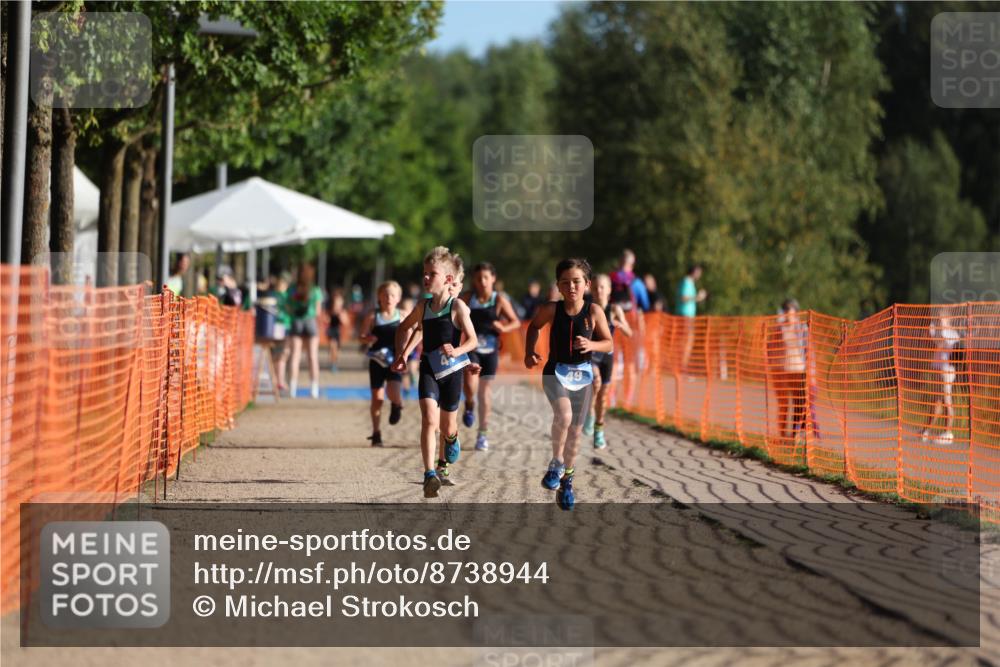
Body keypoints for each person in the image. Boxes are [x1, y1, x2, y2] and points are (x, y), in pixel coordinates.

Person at [525, 258, 613, 511]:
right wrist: (529, 352)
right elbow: (534, 327)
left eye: (576, 282)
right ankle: (555, 463)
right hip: (555, 370)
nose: (571, 286)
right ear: (559, 286)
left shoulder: (594, 312)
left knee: (575, 431)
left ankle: (568, 480)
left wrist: (592, 345)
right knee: (563, 417)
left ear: (586, 284)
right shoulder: (551, 309)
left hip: (582, 374)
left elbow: (609, 343)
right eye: (566, 282)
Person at [392, 247, 480, 498]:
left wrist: (458, 349)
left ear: (449, 280)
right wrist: (403, 354)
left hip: (452, 372)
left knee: (447, 426)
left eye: (432, 274)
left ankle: (451, 442)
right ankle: (429, 473)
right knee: (429, 420)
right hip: (429, 368)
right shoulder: (423, 307)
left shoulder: (458, 307)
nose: (426, 278)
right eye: (424, 273)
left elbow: (473, 340)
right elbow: (403, 329)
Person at [461, 262, 521, 451]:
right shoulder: (467, 298)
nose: (482, 282)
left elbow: (515, 322)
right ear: (474, 280)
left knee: (485, 392)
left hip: (491, 351)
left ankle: (482, 434)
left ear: (493, 279)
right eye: (479, 278)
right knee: (470, 387)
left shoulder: (499, 300)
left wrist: (503, 327)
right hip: (471, 348)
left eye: (486, 278)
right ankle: (469, 405)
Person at [582, 274, 633, 449]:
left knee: (603, 395)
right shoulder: (587, 308)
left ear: (610, 290)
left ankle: (599, 429)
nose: (599, 291)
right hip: (592, 353)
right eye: (595, 287)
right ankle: (588, 413)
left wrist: (620, 324)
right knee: (595, 382)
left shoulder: (614, 309)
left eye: (603, 287)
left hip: (607, 356)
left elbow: (629, 333)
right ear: (591, 289)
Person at [360, 281, 404, 447]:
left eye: (392, 295)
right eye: (385, 294)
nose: (389, 298)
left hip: (395, 361)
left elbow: (416, 330)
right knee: (377, 399)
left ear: (398, 298)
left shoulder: (403, 315)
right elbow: (362, 335)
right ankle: (376, 432)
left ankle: (397, 405)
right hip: (377, 360)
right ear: (379, 297)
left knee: (393, 392)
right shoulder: (373, 316)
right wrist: (367, 338)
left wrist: (409, 351)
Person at [774, 299, 813, 447]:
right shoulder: (780, 328)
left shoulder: (801, 327)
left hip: (799, 369)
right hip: (784, 370)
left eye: (791, 313)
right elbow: (773, 345)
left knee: (800, 403)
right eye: (786, 312)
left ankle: (797, 434)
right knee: (784, 403)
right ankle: (783, 434)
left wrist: (810, 368)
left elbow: (807, 348)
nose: (789, 316)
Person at [921, 311, 961, 443]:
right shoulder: (937, 330)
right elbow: (928, 343)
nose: (938, 319)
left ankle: (948, 433)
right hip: (937, 369)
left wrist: (938, 333)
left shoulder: (952, 334)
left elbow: (941, 344)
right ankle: (926, 430)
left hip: (947, 371)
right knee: (936, 401)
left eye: (941, 317)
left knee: (946, 400)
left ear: (948, 318)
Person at [285, 264, 323, 399]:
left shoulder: (292, 289)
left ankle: (292, 389)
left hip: (296, 322)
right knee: (312, 356)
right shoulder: (315, 290)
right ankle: (314, 388)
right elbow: (318, 311)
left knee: (295, 356)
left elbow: (287, 307)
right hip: (310, 322)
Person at [676, 264, 707, 372]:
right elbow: (683, 298)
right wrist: (698, 297)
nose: (699, 275)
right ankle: (682, 367)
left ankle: (681, 366)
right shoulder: (686, 282)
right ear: (693, 271)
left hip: (688, 316)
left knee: (686, 341)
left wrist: (697, 298)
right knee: (686, 341)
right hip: (685, 316)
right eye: (698, 272)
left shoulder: (690, 282)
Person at [326, 288, 349, 372]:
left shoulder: (342, 312)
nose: (337, 304)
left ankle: (335, 363)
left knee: (337, 350)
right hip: (331, 330)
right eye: (336, 302)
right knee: (333, 347)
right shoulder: (330, 311)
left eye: (339, 302)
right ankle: (333, 364)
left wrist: (341, 316)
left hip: (338, 331)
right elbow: (326, 320)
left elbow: (346, 323)